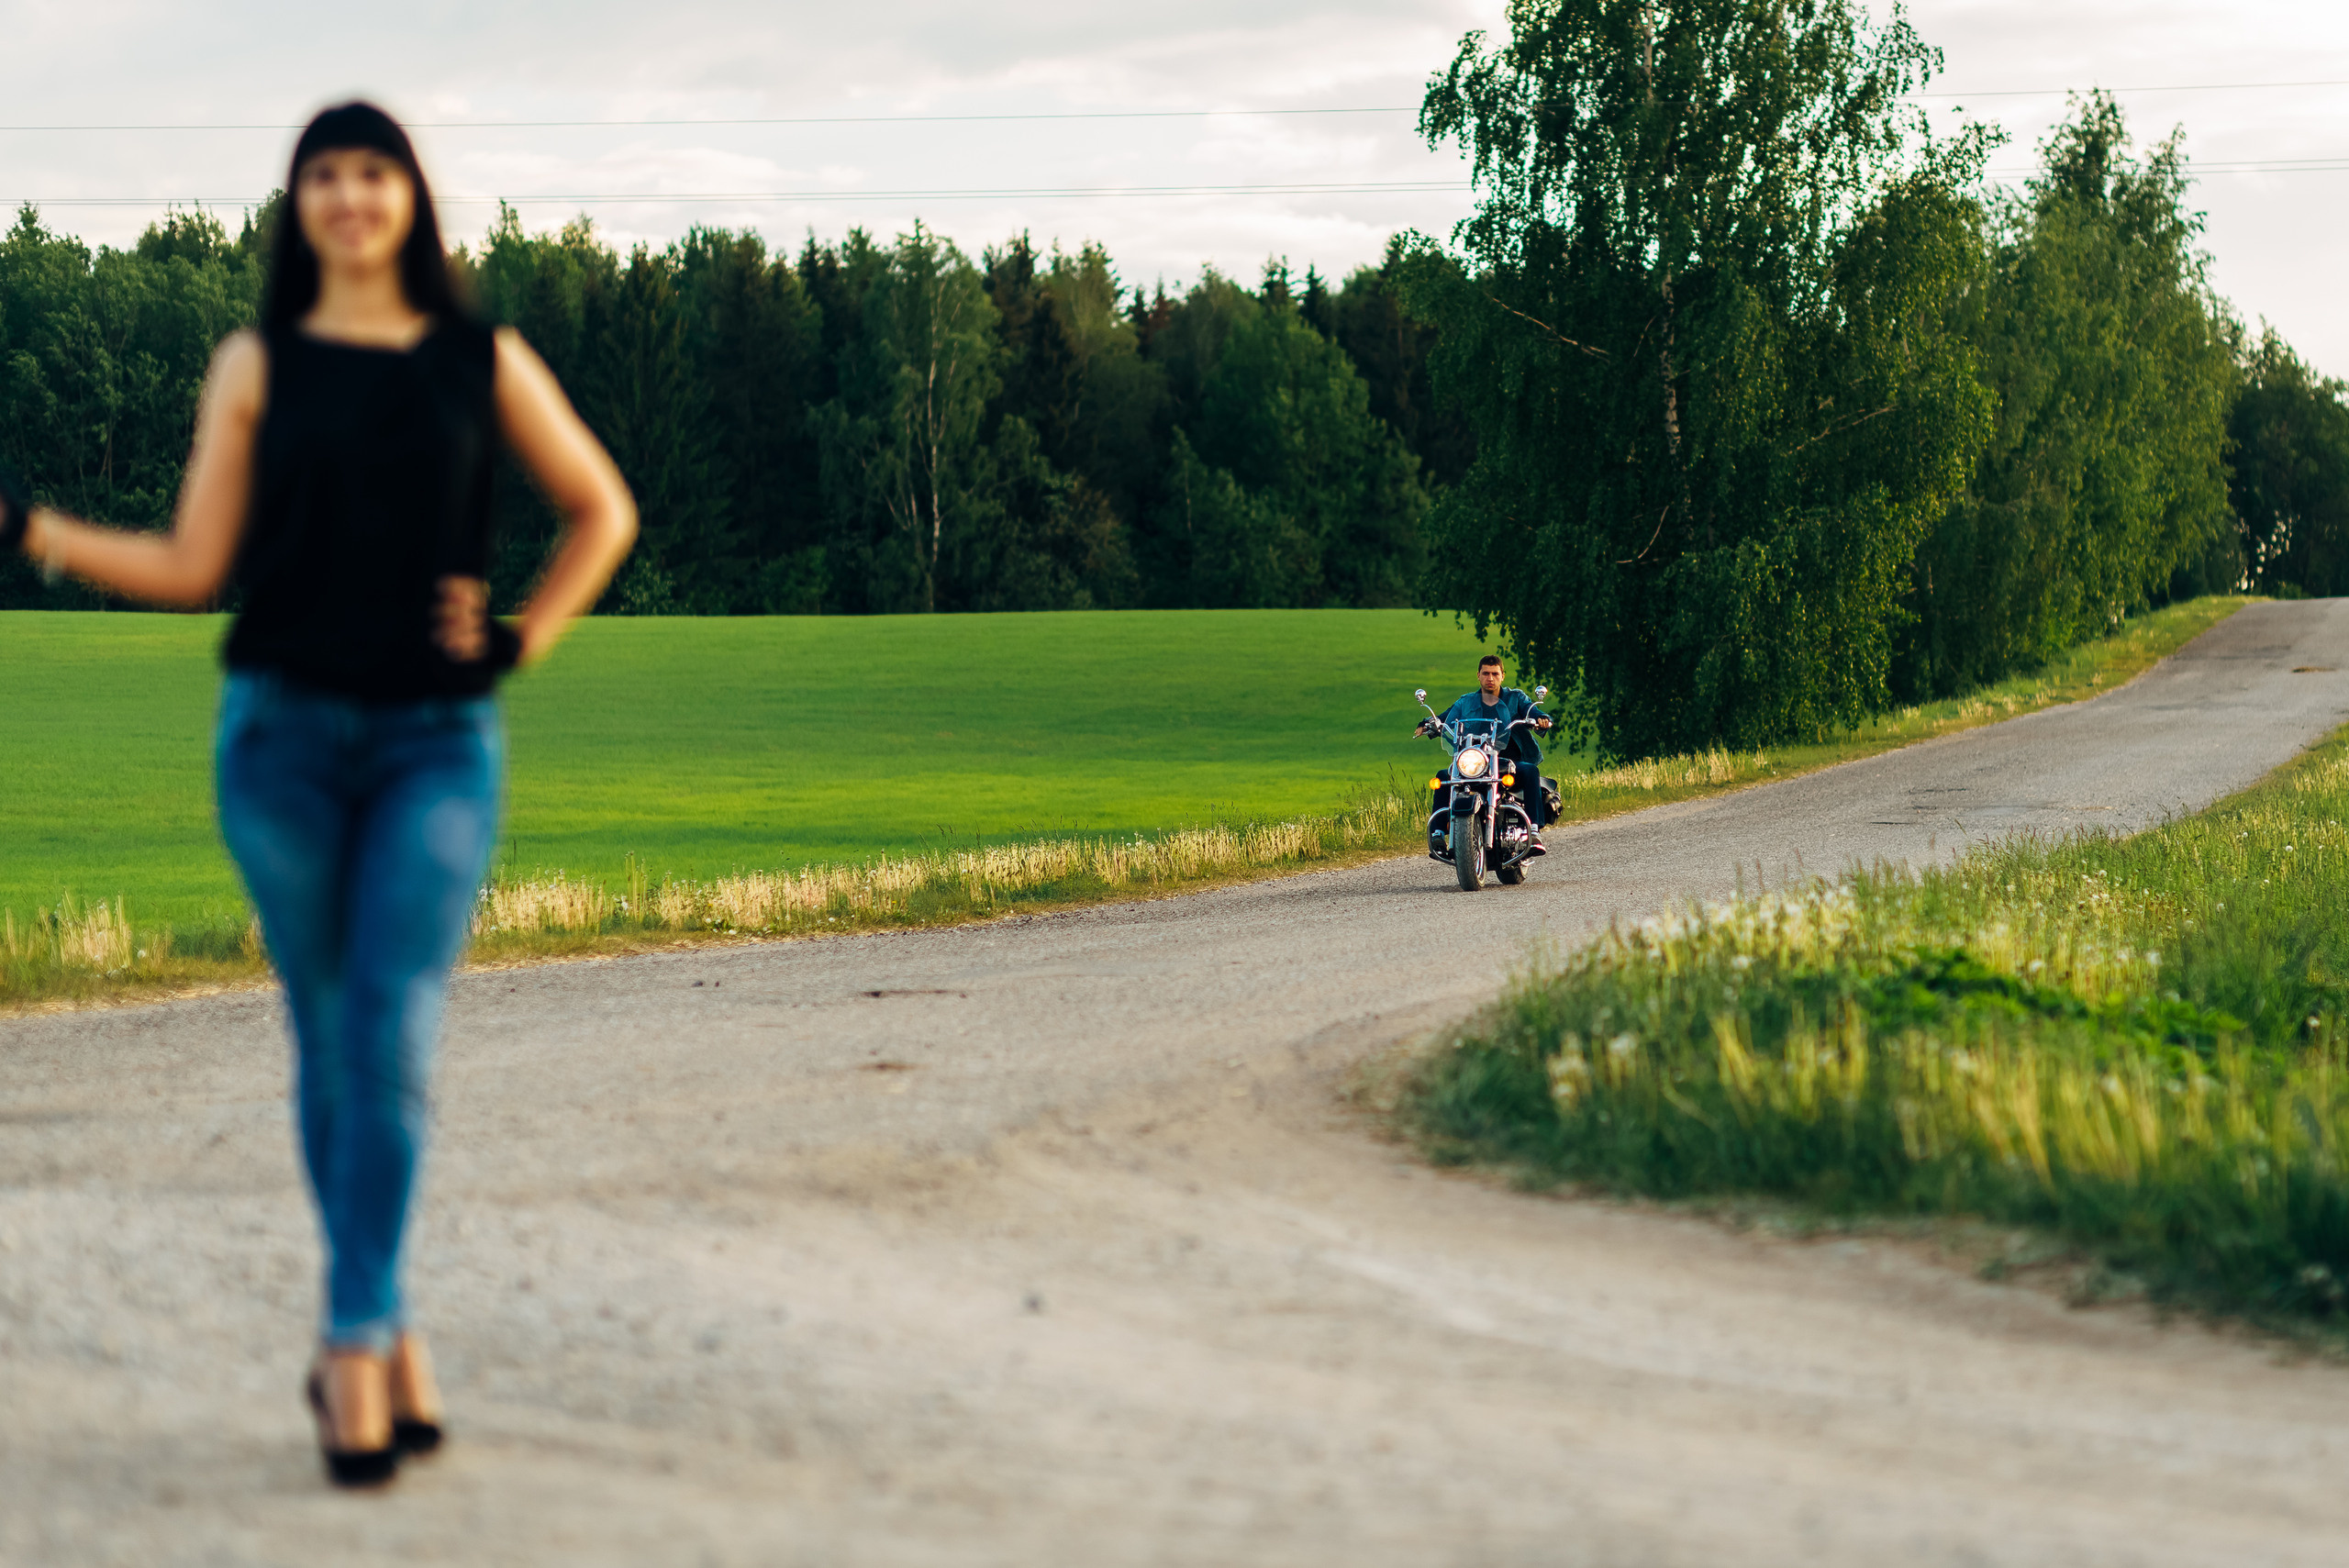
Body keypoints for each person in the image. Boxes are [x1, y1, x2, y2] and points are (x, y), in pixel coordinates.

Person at [0, 103, 636, 1487]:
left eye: (374, 170)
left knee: (391, 1026)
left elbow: (604, 507)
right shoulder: (255, 362)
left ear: (412, 195)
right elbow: (193, 566)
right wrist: (31, 529)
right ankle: (389, 1321)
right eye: (324, 174)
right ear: (299, 204)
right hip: (279, 740)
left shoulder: (482, 358)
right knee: (329, 1034)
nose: (351, 195)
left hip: (435, 745)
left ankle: (350, 1341)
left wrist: (519, 638)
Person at [1418, 655, 1554, 837]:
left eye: (1495, 674)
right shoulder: (1466, 702)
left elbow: (1532, 711)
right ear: (1478, 675)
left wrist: (1542, 719)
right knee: (1443, 776)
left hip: (1508, 762)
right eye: (1486, 673)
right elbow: (1445, 717)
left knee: (1530, 771)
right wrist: (1429, 723)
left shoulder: (1516, 698)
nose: (1490, 678)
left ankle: (1534, 829)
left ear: (1502, 676)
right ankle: (1438, 832)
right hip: (1475, 762)